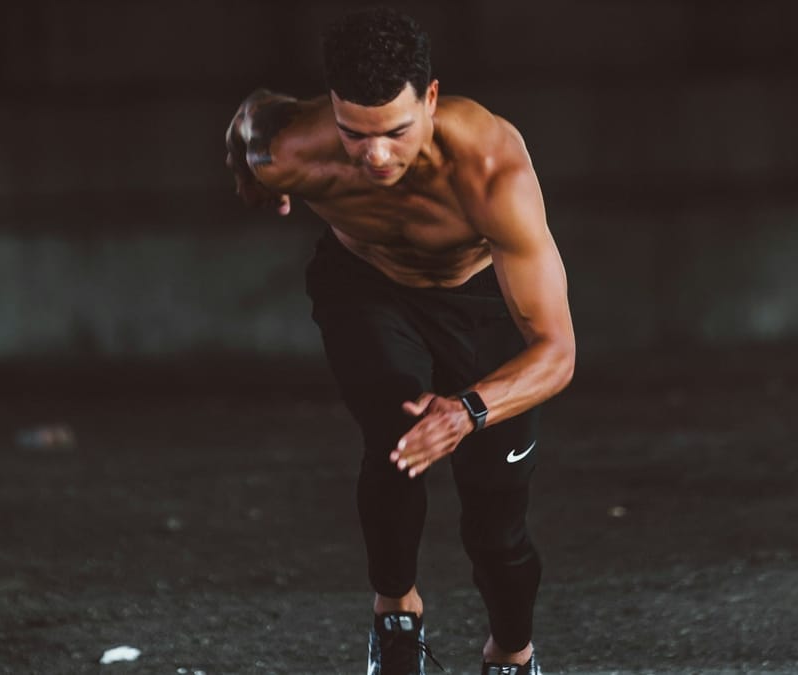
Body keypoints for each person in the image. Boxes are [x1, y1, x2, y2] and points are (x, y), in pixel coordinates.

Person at [224, 8, 575, 674]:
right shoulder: (292, 151)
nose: (377, 156)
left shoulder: (491, 169)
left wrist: (468, 410)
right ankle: (396, 616)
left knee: (497, 525)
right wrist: (244, 168)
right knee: (397, 431)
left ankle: (511, 653)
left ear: (431, 99)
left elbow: (557, 351)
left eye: (396, 131)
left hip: (481, 303)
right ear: (333, 108)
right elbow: (251, 120)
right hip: (368, 287)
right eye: (355, 133)